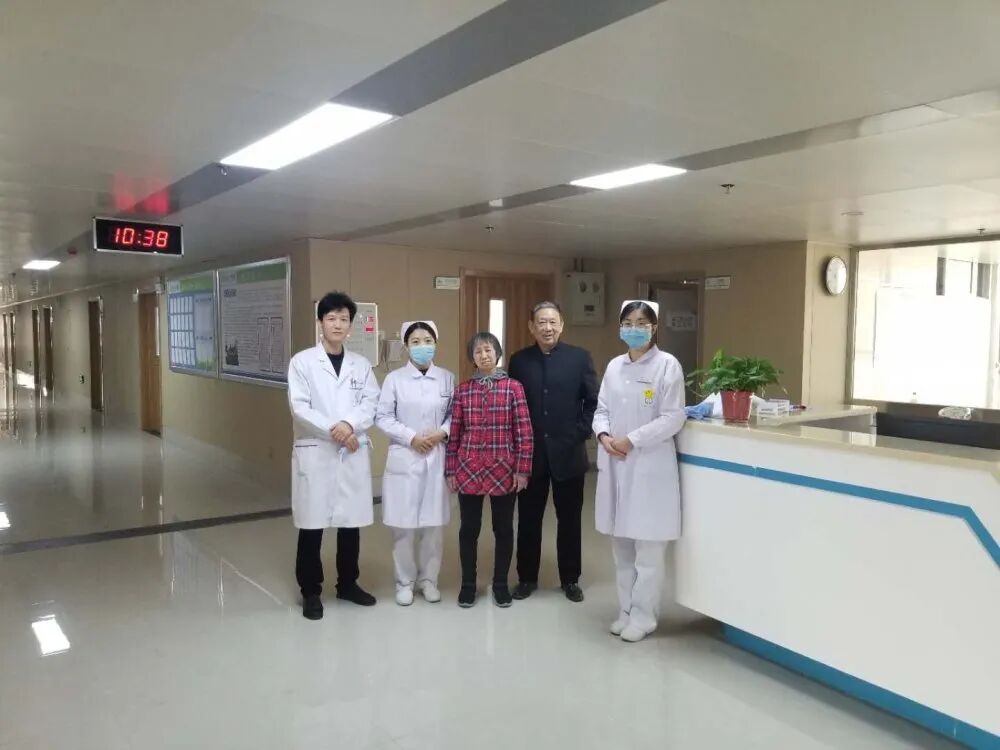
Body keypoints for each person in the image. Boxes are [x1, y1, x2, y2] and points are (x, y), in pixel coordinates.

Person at [592, 300, 685, 643]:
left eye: (641, 323)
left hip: (648, 467)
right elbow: (601, 409)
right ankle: (626, 611)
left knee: (648, 550)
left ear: (654, 328)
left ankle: (644, 617)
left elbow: (673, 417)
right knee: (622, 549)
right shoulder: (614, 366)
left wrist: (632, 440)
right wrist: (603, 435)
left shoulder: (667, 365)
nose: (634, 328)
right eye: (628, 322)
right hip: (615, 462)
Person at [288, 291, 380, 620]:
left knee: (350, 523)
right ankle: (311, 591)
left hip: (350, 450)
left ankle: (348, 584)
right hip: (318, 450)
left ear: (350, 326)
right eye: (331, 319)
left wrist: (349, 425)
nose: (337, 325)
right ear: (320, 323)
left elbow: (371, 402)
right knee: (312, 524)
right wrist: (337, 430)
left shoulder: (361, 365)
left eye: (343, 319)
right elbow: (300, 407)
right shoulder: (302, 362)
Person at [508, 301, 598, 603]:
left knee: (570, 520)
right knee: (528, 519)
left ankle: (570, 579)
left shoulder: (579, 358)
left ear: (561, 325)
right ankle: (526, 578)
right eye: (541, 322)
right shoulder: (519, 361)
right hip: (530, 455)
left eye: (552, 322)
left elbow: (593, 402)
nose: (547, 327)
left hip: (569, 453)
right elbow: (513, 404)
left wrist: (579, 433)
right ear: (531, 327)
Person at [445, 332, 533, 608]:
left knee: (503, 528)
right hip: (468, 467)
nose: (483, 355)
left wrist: (522, 470)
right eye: (478, 351)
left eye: (488, 350)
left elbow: (524, 432)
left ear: (498, 353)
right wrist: (451, 470)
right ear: (472, 357)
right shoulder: (463, 390)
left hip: (503, 468)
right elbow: (454, 433)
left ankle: (500, 584)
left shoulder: (513, 388)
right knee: (468, 529)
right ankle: (468, 585)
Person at [375, 321, 455, 606]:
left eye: (428, 340)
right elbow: (383, 417)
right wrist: (411, 438)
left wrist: (441, 433)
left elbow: (454, 415)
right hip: (405, 456)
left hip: (436, 456)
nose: (423, 346)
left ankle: (429, 581)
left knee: (434, 527)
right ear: (406, 346)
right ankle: (404, 582)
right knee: (404, 525)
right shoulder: (394, 379)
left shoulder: (447, 378)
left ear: (436, 344)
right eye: (416, 342)